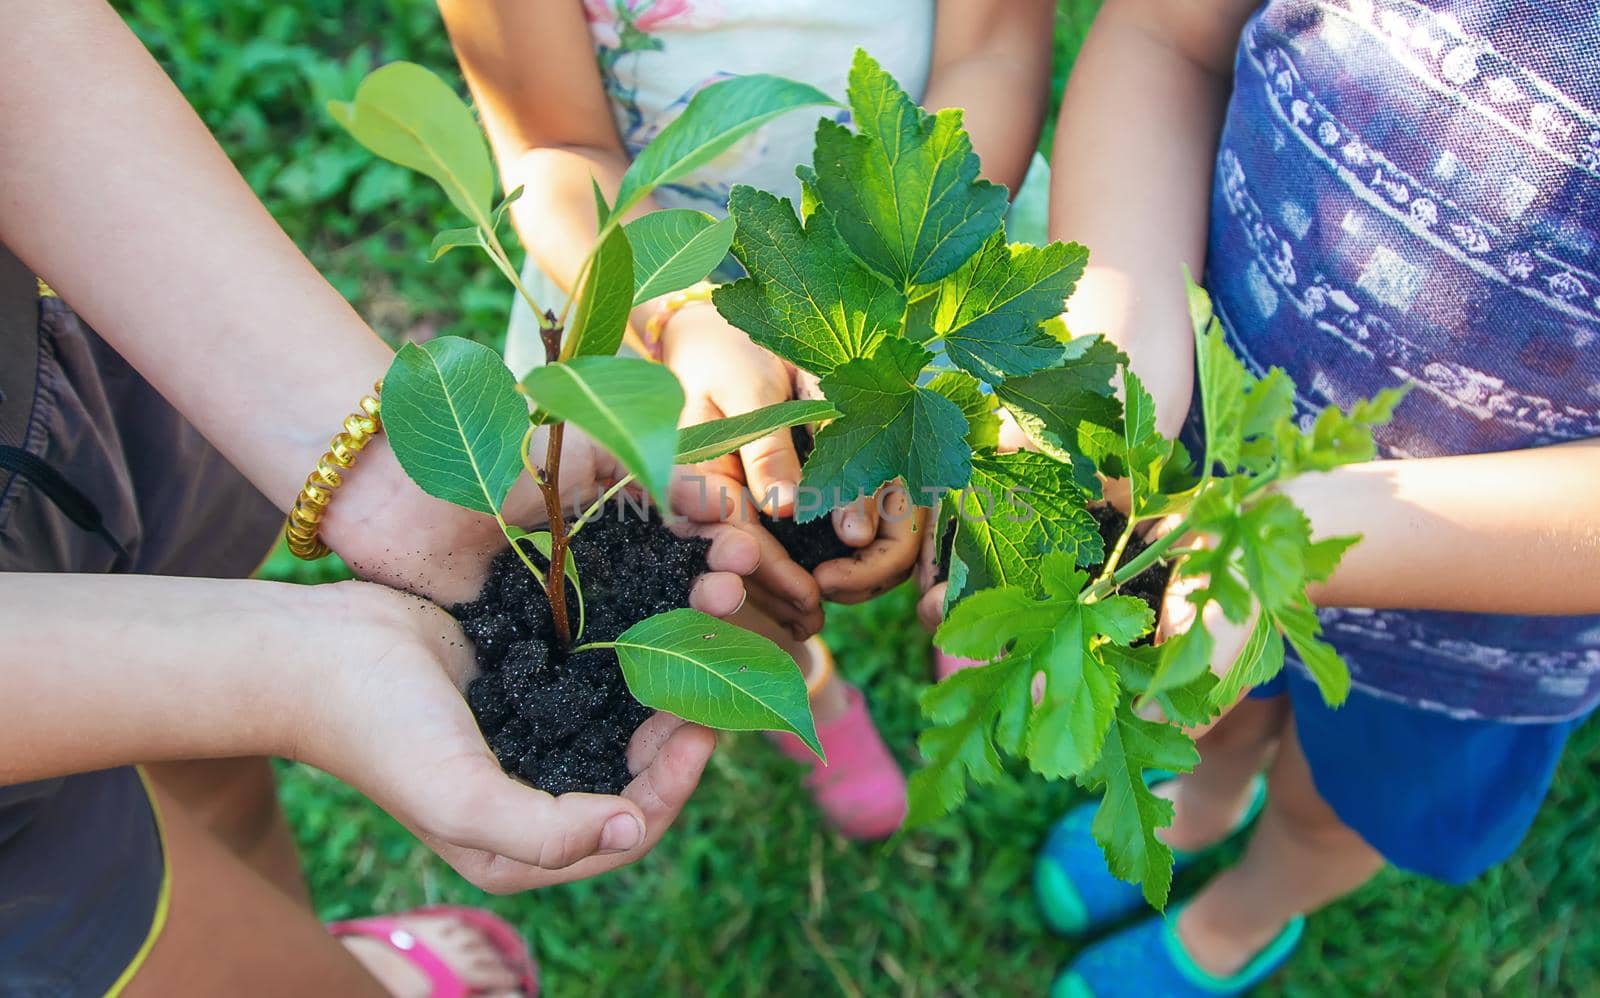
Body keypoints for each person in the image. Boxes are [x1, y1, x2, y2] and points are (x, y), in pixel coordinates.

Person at [0, 4, 818, 994]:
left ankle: (295, 914)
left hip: (43, 413)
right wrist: (291, 670)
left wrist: (387, 472)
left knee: (202, 762)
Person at [1010, 1, 1600, 994]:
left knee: (1336, 805)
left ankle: (1241, 919)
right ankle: (1201, 798)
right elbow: (1164, 38)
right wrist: (1117, 362)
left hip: (1476, 628)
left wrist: (1288, 535)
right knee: (1222, 711)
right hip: (1202, 478)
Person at [434, 0, 1057, 840]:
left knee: (950, 472)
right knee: (724, 554)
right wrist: (679, 312)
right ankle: (799, 684)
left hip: (914, 265)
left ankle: (962, 604)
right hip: (647, 290)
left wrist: (881, 327)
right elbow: (555, 143)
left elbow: (992, 54)